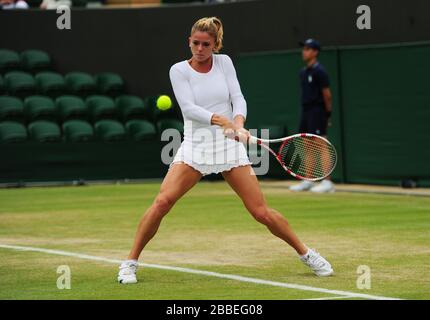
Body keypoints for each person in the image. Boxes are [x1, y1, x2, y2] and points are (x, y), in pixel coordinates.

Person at [117, 18, 333, 284]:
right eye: (195, 43)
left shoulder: (225, 63)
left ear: (215, 45)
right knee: (162, 202)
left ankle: (307, 254)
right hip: (195, 147)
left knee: (261, 212)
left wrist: (239, 123)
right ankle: (130, 262)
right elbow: (189, 109)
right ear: (189, 41)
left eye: (206, 44)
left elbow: (238, 97)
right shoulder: (178, 70)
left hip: (228, 148)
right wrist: (223, 121)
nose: (199, 49)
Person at [290, 39, 335, 193]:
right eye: (304, 49)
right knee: (307, 145)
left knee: (321, 144)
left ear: (315, 52)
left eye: (308, 49)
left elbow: (327, 95)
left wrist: (328, 114)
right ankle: (307, 180)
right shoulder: (303, 72)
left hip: (318, 111)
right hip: (306, 111)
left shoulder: (320, 71)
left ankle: (327, 183)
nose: (304, 52)